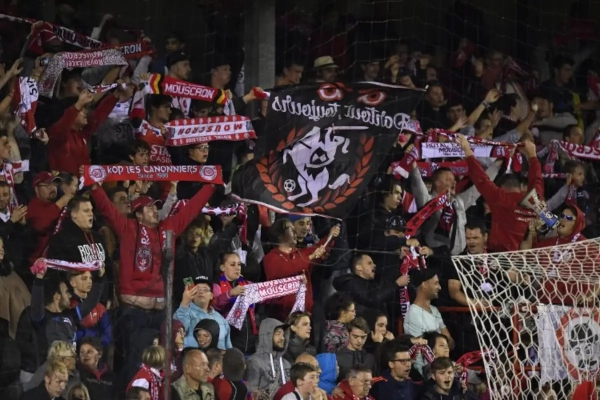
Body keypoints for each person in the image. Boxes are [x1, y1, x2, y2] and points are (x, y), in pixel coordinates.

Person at [174, 275, 232, 350]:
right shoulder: (184, 312)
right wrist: (185, 302)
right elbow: (178, 331)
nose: (201, 292)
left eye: (205, 289)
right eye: (197, 289)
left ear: (211, 296)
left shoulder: (221, 319)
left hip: (218, 357)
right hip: (193, 356)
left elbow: (228, 347)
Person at [245, 318, 291, 399]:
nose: (282, 338)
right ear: (266, 336)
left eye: (283, 334)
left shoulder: (287, 364)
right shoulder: (254, 362)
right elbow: (251, 393)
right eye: (278, 334)